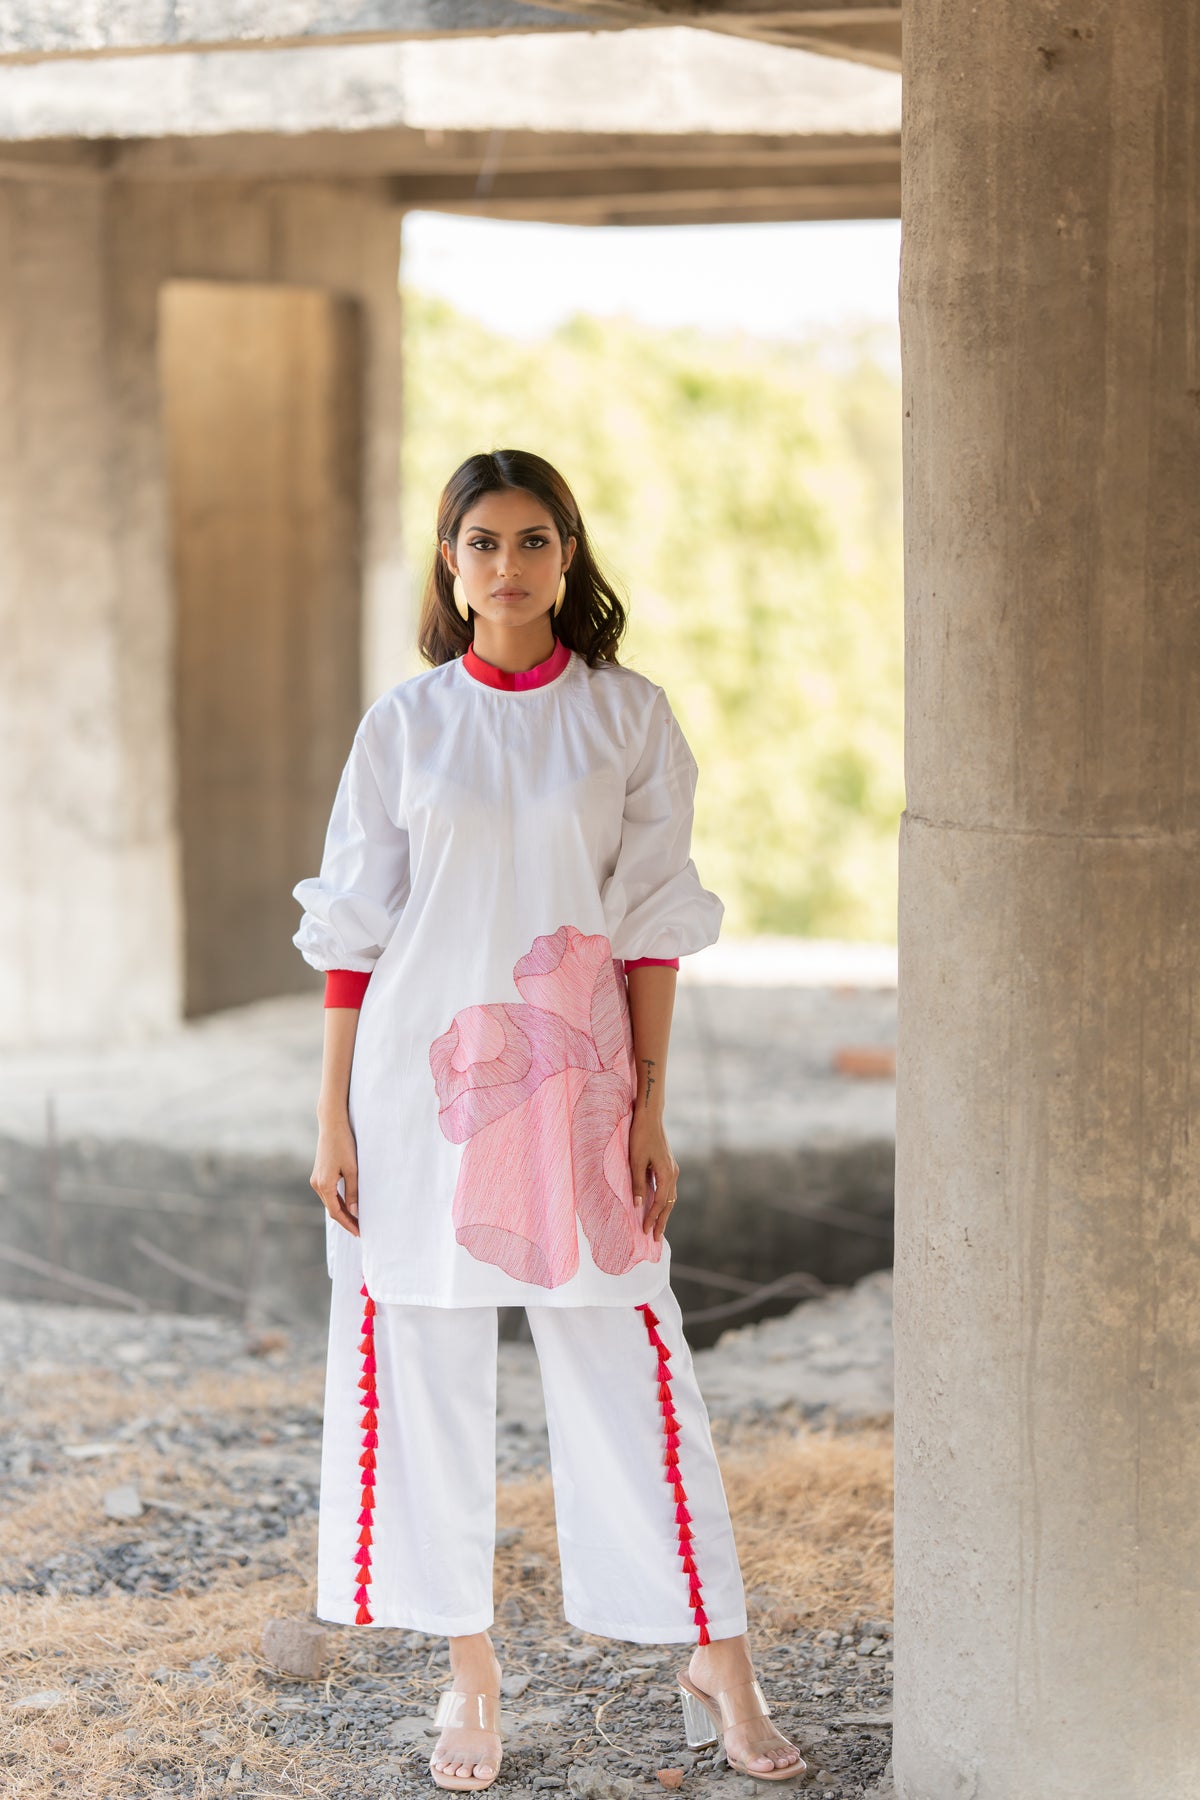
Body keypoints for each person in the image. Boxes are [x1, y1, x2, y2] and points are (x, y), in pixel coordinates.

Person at [292, 449, 807, 1791]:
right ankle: (471, 1673)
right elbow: (353, 934)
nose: (506, 566)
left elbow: (650, 928)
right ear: (450, 566)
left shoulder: (627, 718)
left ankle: (719, 1653)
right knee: (428, 1373)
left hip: (579, 1097)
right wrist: (334, 1114)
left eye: (531, 541)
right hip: (420, 1094)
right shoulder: (404, 726)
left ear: (567, 560)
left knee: (636, 1364)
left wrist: (646, 1105)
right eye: (481, 542)